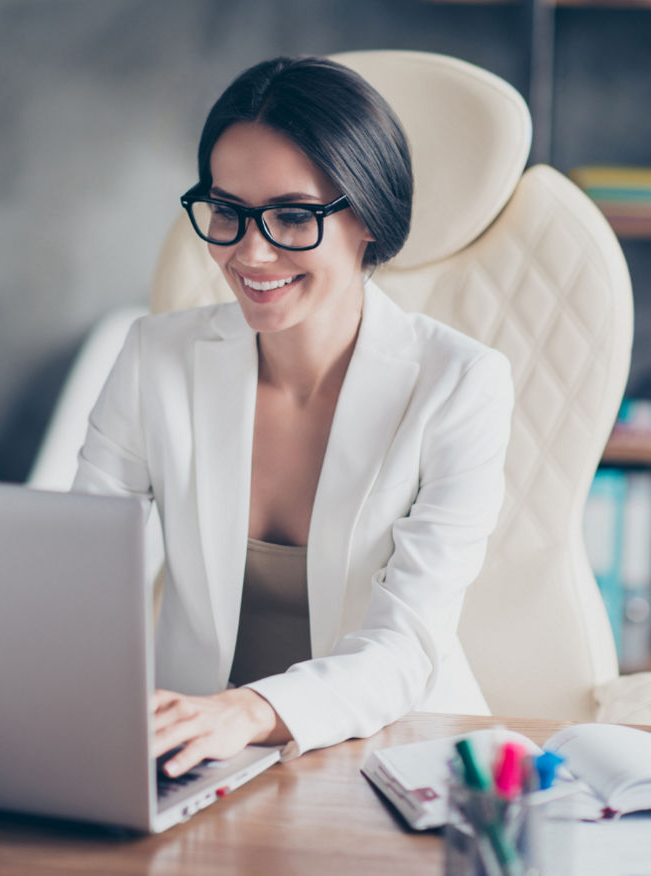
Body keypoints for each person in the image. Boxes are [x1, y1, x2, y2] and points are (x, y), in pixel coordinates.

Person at [73, 56, 513, 776]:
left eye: (292, 215)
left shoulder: (460, 386)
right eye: (227, 210)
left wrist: (247, 711)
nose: (250, 250)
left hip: (389, 756)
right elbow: (76, 571)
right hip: (193, 757)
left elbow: (405, 645)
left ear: (368, 216)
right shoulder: (155, 356)